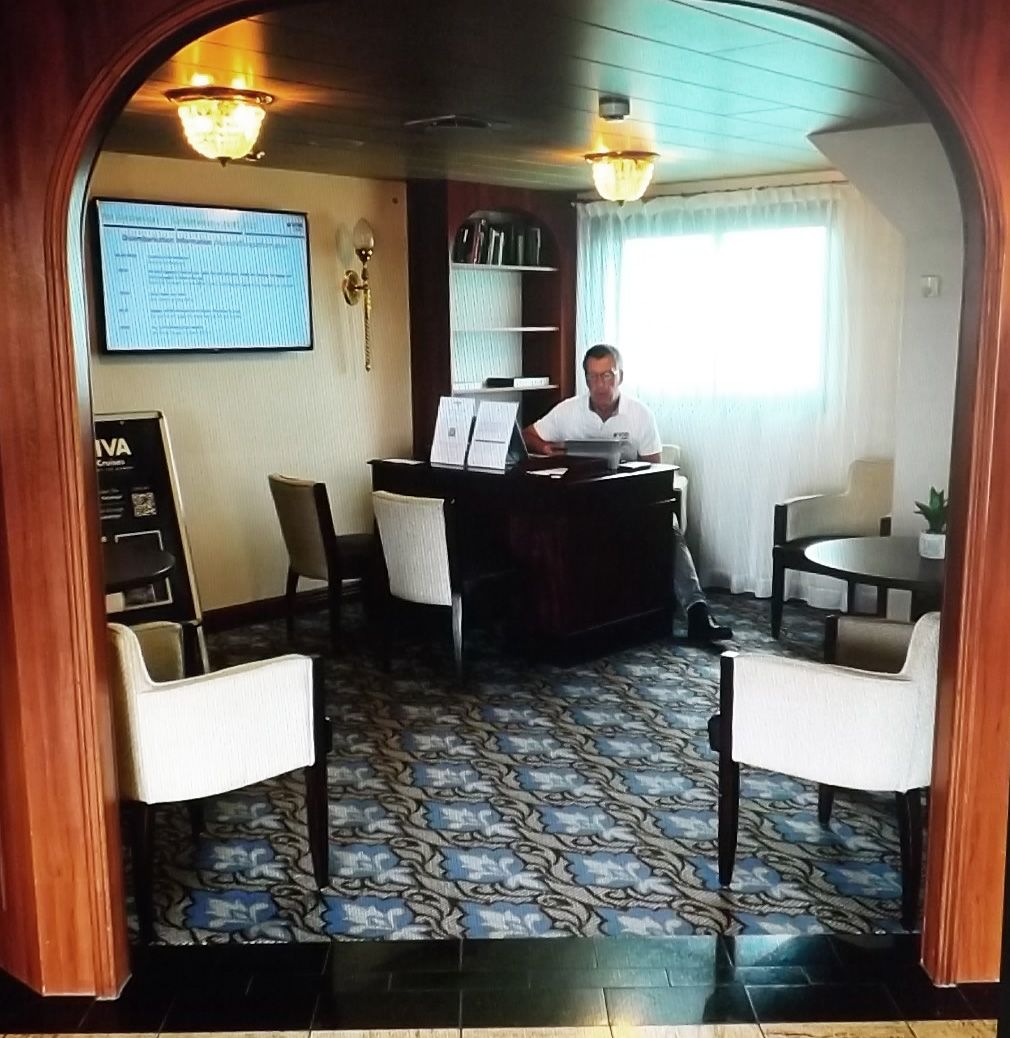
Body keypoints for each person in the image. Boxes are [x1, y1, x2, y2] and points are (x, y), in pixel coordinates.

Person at [523, 344, 733, 643]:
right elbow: (529, 434)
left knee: (667, 527)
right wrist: (544, 447)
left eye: (607, 375)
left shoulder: (639, 414)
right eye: (593, 377)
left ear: (620, 376)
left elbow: (655, 470)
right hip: (582, 502)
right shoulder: (568, 411)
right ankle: (561, 619)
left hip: (630, 500)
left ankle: (697, 611)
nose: (601, 385)